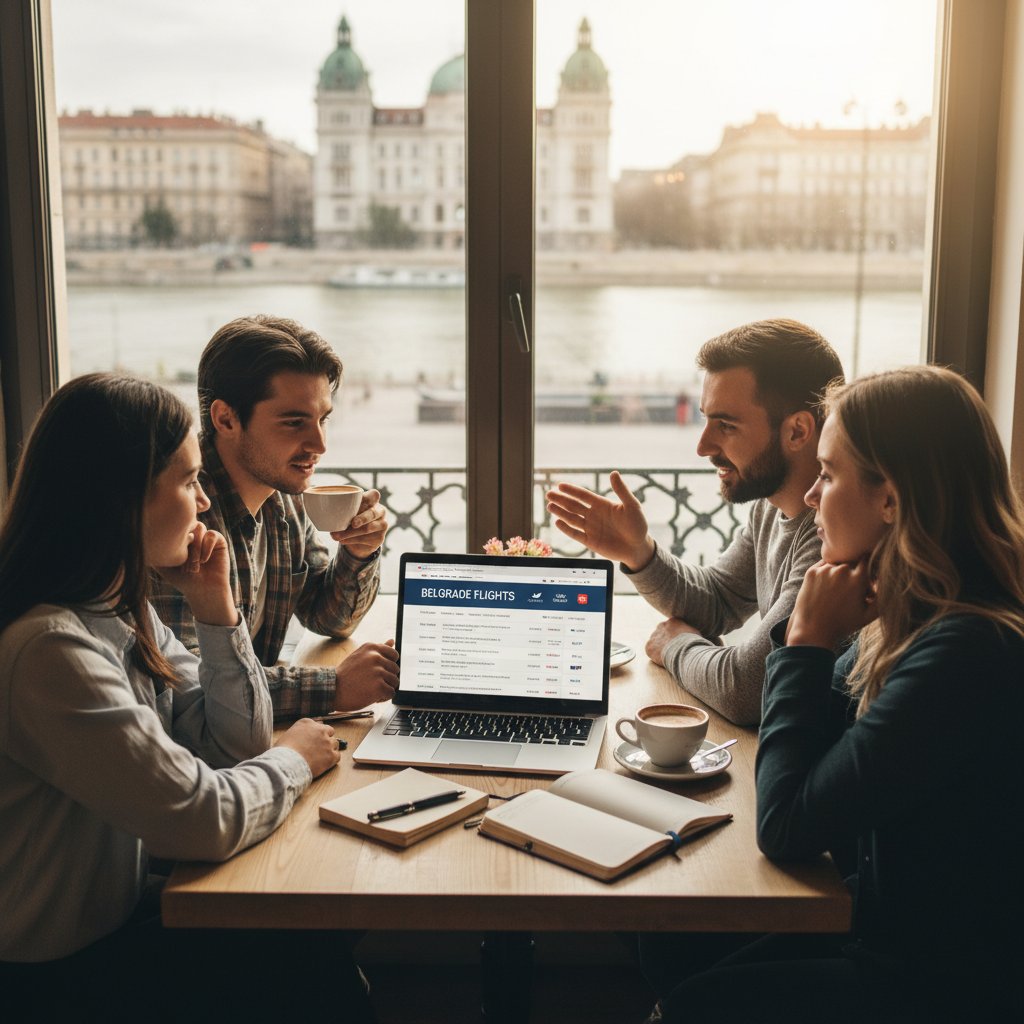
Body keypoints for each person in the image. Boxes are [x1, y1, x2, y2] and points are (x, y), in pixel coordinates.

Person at [650, 366, 1024, 1021]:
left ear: (892, 499)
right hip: (890, 928)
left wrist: (806, 641)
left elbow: (787, 826)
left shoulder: (964, 653)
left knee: (686, 1005)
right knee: (668, 945)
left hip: (940, 984)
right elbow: (816, 761)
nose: (813, 496)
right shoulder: (916, 615)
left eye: (829, 474)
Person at [0, 374, 374, 1019]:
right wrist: (296, 757)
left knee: (319, 933)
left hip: (111, 917)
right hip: (50, 974)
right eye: (187, 481)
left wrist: (215, 610)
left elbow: (234, 741)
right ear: (118, 499)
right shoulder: (50, 651)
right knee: (315, 966)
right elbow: (202, 817)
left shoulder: (117, 611)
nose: (203, 503)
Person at [546, 319, 843, 724]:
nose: (703, 446)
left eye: (726, 425)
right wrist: (640, 553)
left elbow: (746, 689)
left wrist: (676, 645)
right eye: (704, 420)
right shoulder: (770, 507)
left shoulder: (836, 536)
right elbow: (718, 600)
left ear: (797, 431)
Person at [150, 315, 399, 722]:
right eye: (294, 421)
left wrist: (359, 552)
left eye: (323, 419)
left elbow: (328, 618)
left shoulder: (282, 499)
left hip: (255, 735)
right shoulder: (178, 517)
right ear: (226, 419)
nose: (319, 444)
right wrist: (333, 686)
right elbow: (195, 689)